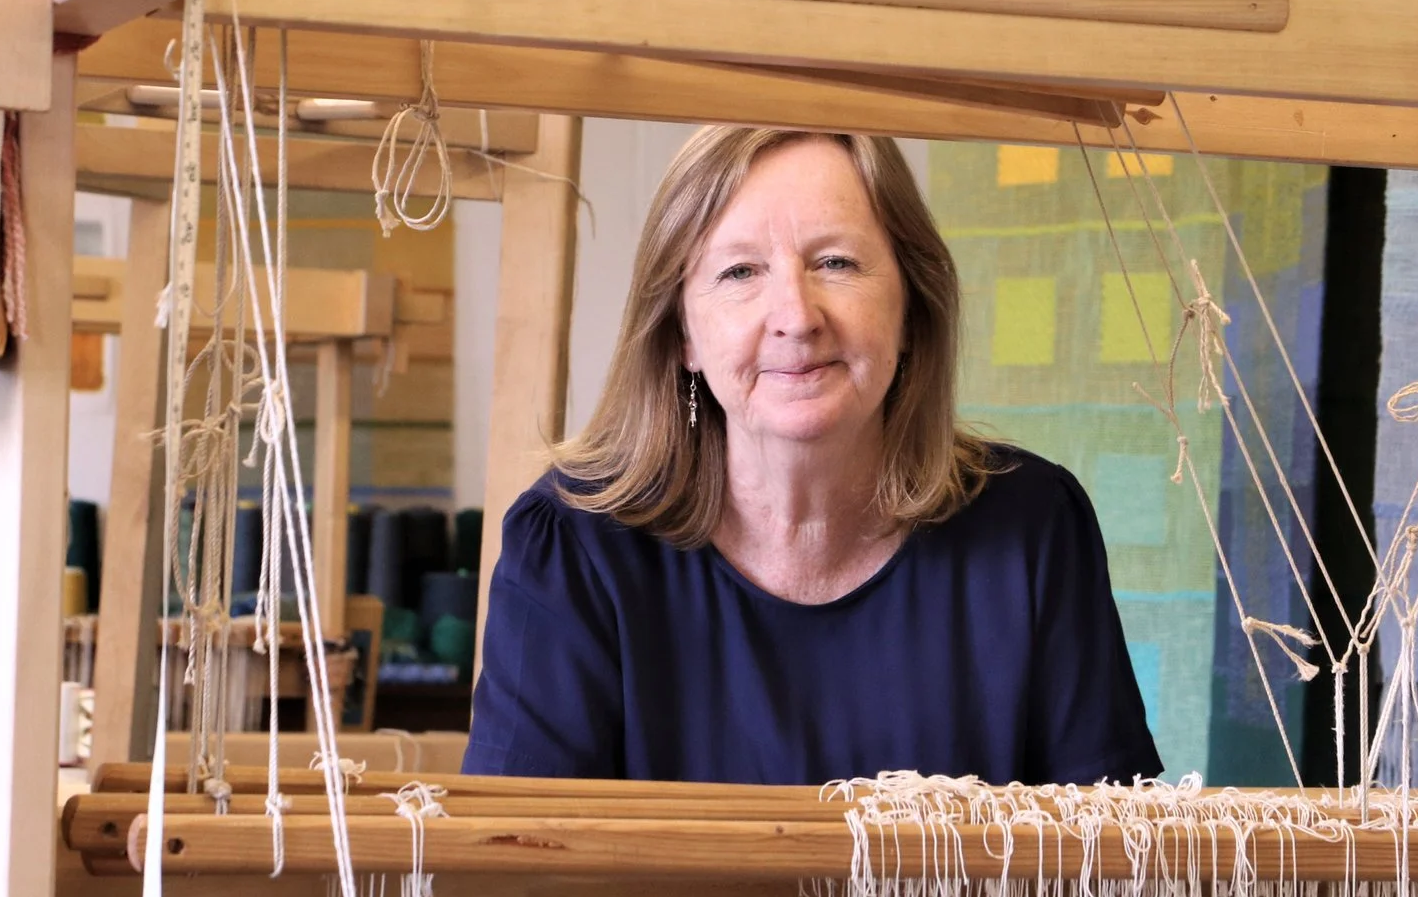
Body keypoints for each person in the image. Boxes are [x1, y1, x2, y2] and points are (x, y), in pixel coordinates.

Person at [466, 125, 1163, 786]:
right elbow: (518, 863)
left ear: (911, 307)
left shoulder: (1033, 528)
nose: (796, 317)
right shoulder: (572, 548)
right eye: (740, 271)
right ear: (683, 333)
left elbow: (1110, 860)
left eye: (836, 262)